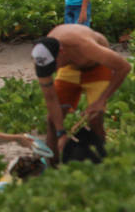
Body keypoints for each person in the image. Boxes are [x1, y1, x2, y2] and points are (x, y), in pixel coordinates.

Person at [30, 24, 130, 156]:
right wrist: (61, 133)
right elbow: (50, 97)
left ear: (61, 52)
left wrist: (101, 100)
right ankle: (50, 165)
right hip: (71, 68)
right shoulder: (42, 57)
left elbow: (124, 67)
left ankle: (102, 160)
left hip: (97, 67)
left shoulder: (86, 47)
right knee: (52, 120)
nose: (52, 70)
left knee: (95, 118)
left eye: (53, 65)